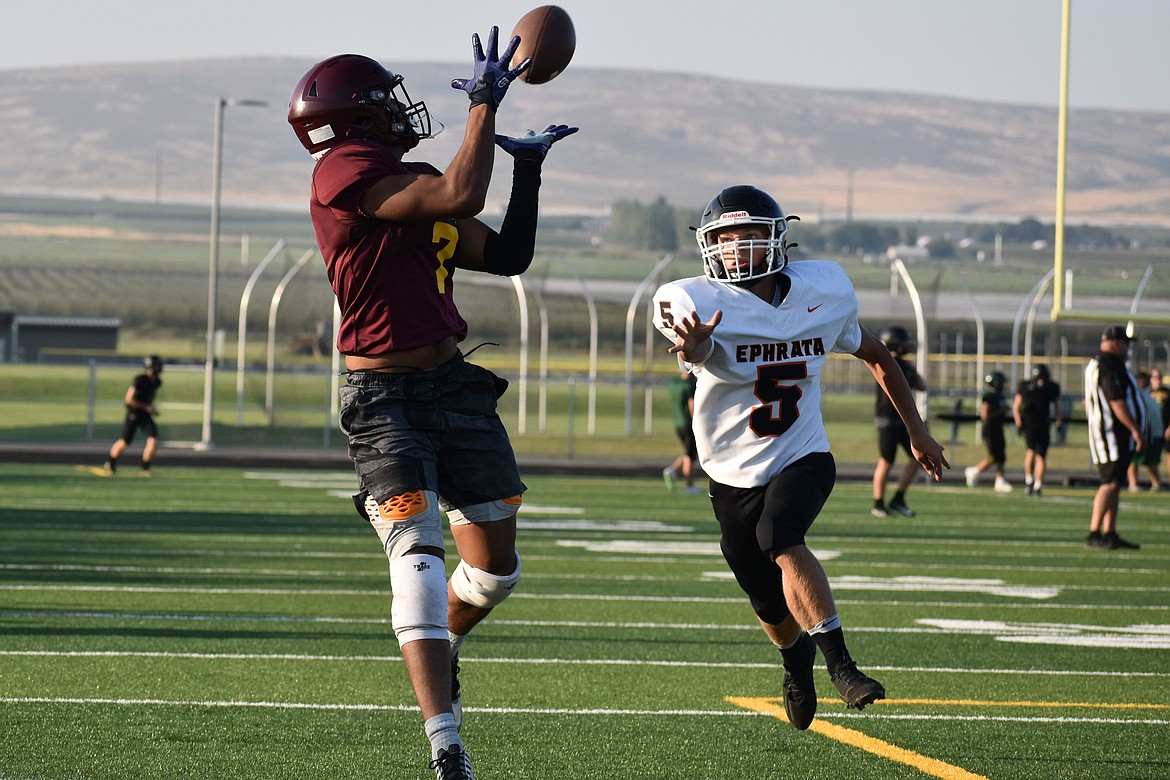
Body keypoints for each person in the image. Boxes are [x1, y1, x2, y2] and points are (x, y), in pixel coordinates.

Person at [287, 32, 576, 780]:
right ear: (356, 118)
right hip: (384, 398)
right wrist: (484, 103)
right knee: (416, 560)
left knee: (496, 572)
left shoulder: (405, 179)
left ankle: (437, 647)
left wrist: (530, 170)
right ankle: (447, 745)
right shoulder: (345, 170)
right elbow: (458, 195)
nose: (398, 109)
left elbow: (506, 255)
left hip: (453, 384)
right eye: (383, 101)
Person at [652, 185, 948, 732]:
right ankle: (796, 661)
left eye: (747, 236)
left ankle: (843, 666)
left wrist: (916, 429)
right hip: (730, 470)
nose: (737, 249)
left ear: (777, 240)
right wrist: (694, 349)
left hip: (803, 453)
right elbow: (698, 354)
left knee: (780, 535)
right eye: (725, 238)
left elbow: (875, 354)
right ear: (708, 246)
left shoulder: (822, 291)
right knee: (766, 604)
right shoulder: (696, 303)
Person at [1084, 325, 1144, 550]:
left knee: (1115, 483)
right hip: (1110, 434)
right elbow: (1116, 400)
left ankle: (1109, 532)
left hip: (1112, 433)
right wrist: (1136, 429)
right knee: (1108, 483)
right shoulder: (1108, 364)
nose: (1128, 349)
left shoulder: (1100, 363)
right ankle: (1094, 533)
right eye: (1126, 343)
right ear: (1116, 343)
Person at [871, 325, 927, 517]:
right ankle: (878, 503)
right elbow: (921, 385)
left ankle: (898, 498)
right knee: (886, 460)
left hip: (902, 420)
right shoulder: (888, 363)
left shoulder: (901, 364)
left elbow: (921, 385)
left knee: (918, 457)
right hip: (888, 420)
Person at [103, 355, 163, 477]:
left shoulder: (157, 382)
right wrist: (146, 407)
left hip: (145, 415)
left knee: (153, 439)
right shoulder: (140, 380)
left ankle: (145, 468)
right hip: (134, 414)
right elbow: (129, 400)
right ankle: (111, 462)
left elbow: (147, 399)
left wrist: (151, 408)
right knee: (125, 442)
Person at [1012, 364, 1062, 496]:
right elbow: (1016, 405)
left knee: (1042, 456)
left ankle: (1038, 484)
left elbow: (1056, 405)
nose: (1042, 382)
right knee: (1031, 452)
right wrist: (1018, 422)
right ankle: (1029, 480)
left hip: (1043, 423)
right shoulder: (1025, 387)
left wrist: (1058, 420)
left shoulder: (1050, 388)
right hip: (1029, 423)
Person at [964, 371, 1012, 492]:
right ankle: (974, 471)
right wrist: (1002, 411)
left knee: (1001, 456)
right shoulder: (988, 396)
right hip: (990, 428)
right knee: (994, 456)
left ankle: (999, 480)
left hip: (997, 427)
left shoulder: (998, 396)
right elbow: (985, 415)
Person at [664, 371, 701, 494]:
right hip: (688, 423)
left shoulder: (674, 383)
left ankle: (672, 470)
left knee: (688, 452)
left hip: (678, 423)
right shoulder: (689, 385)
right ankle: (689, 485)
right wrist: (697, 420)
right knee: (690, 456)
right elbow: (692, 404)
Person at [1127, 369, 1164, 491]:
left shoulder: (1146, 392)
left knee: (1152, 460)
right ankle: (1133, 483)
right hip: (1143, 432)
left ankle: (1156, 483)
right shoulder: (1136, 393)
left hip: (1154, 432)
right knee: (1135, 459)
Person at [1148, 368, 1170, 479]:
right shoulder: (1147, 393)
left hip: (1167, 430)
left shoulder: (1167, 392)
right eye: (1156, 377)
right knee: (1152, 458)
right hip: (1153, 431)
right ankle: (1156, 483)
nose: (1158, 380)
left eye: (1160, 377)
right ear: (1151, 379)